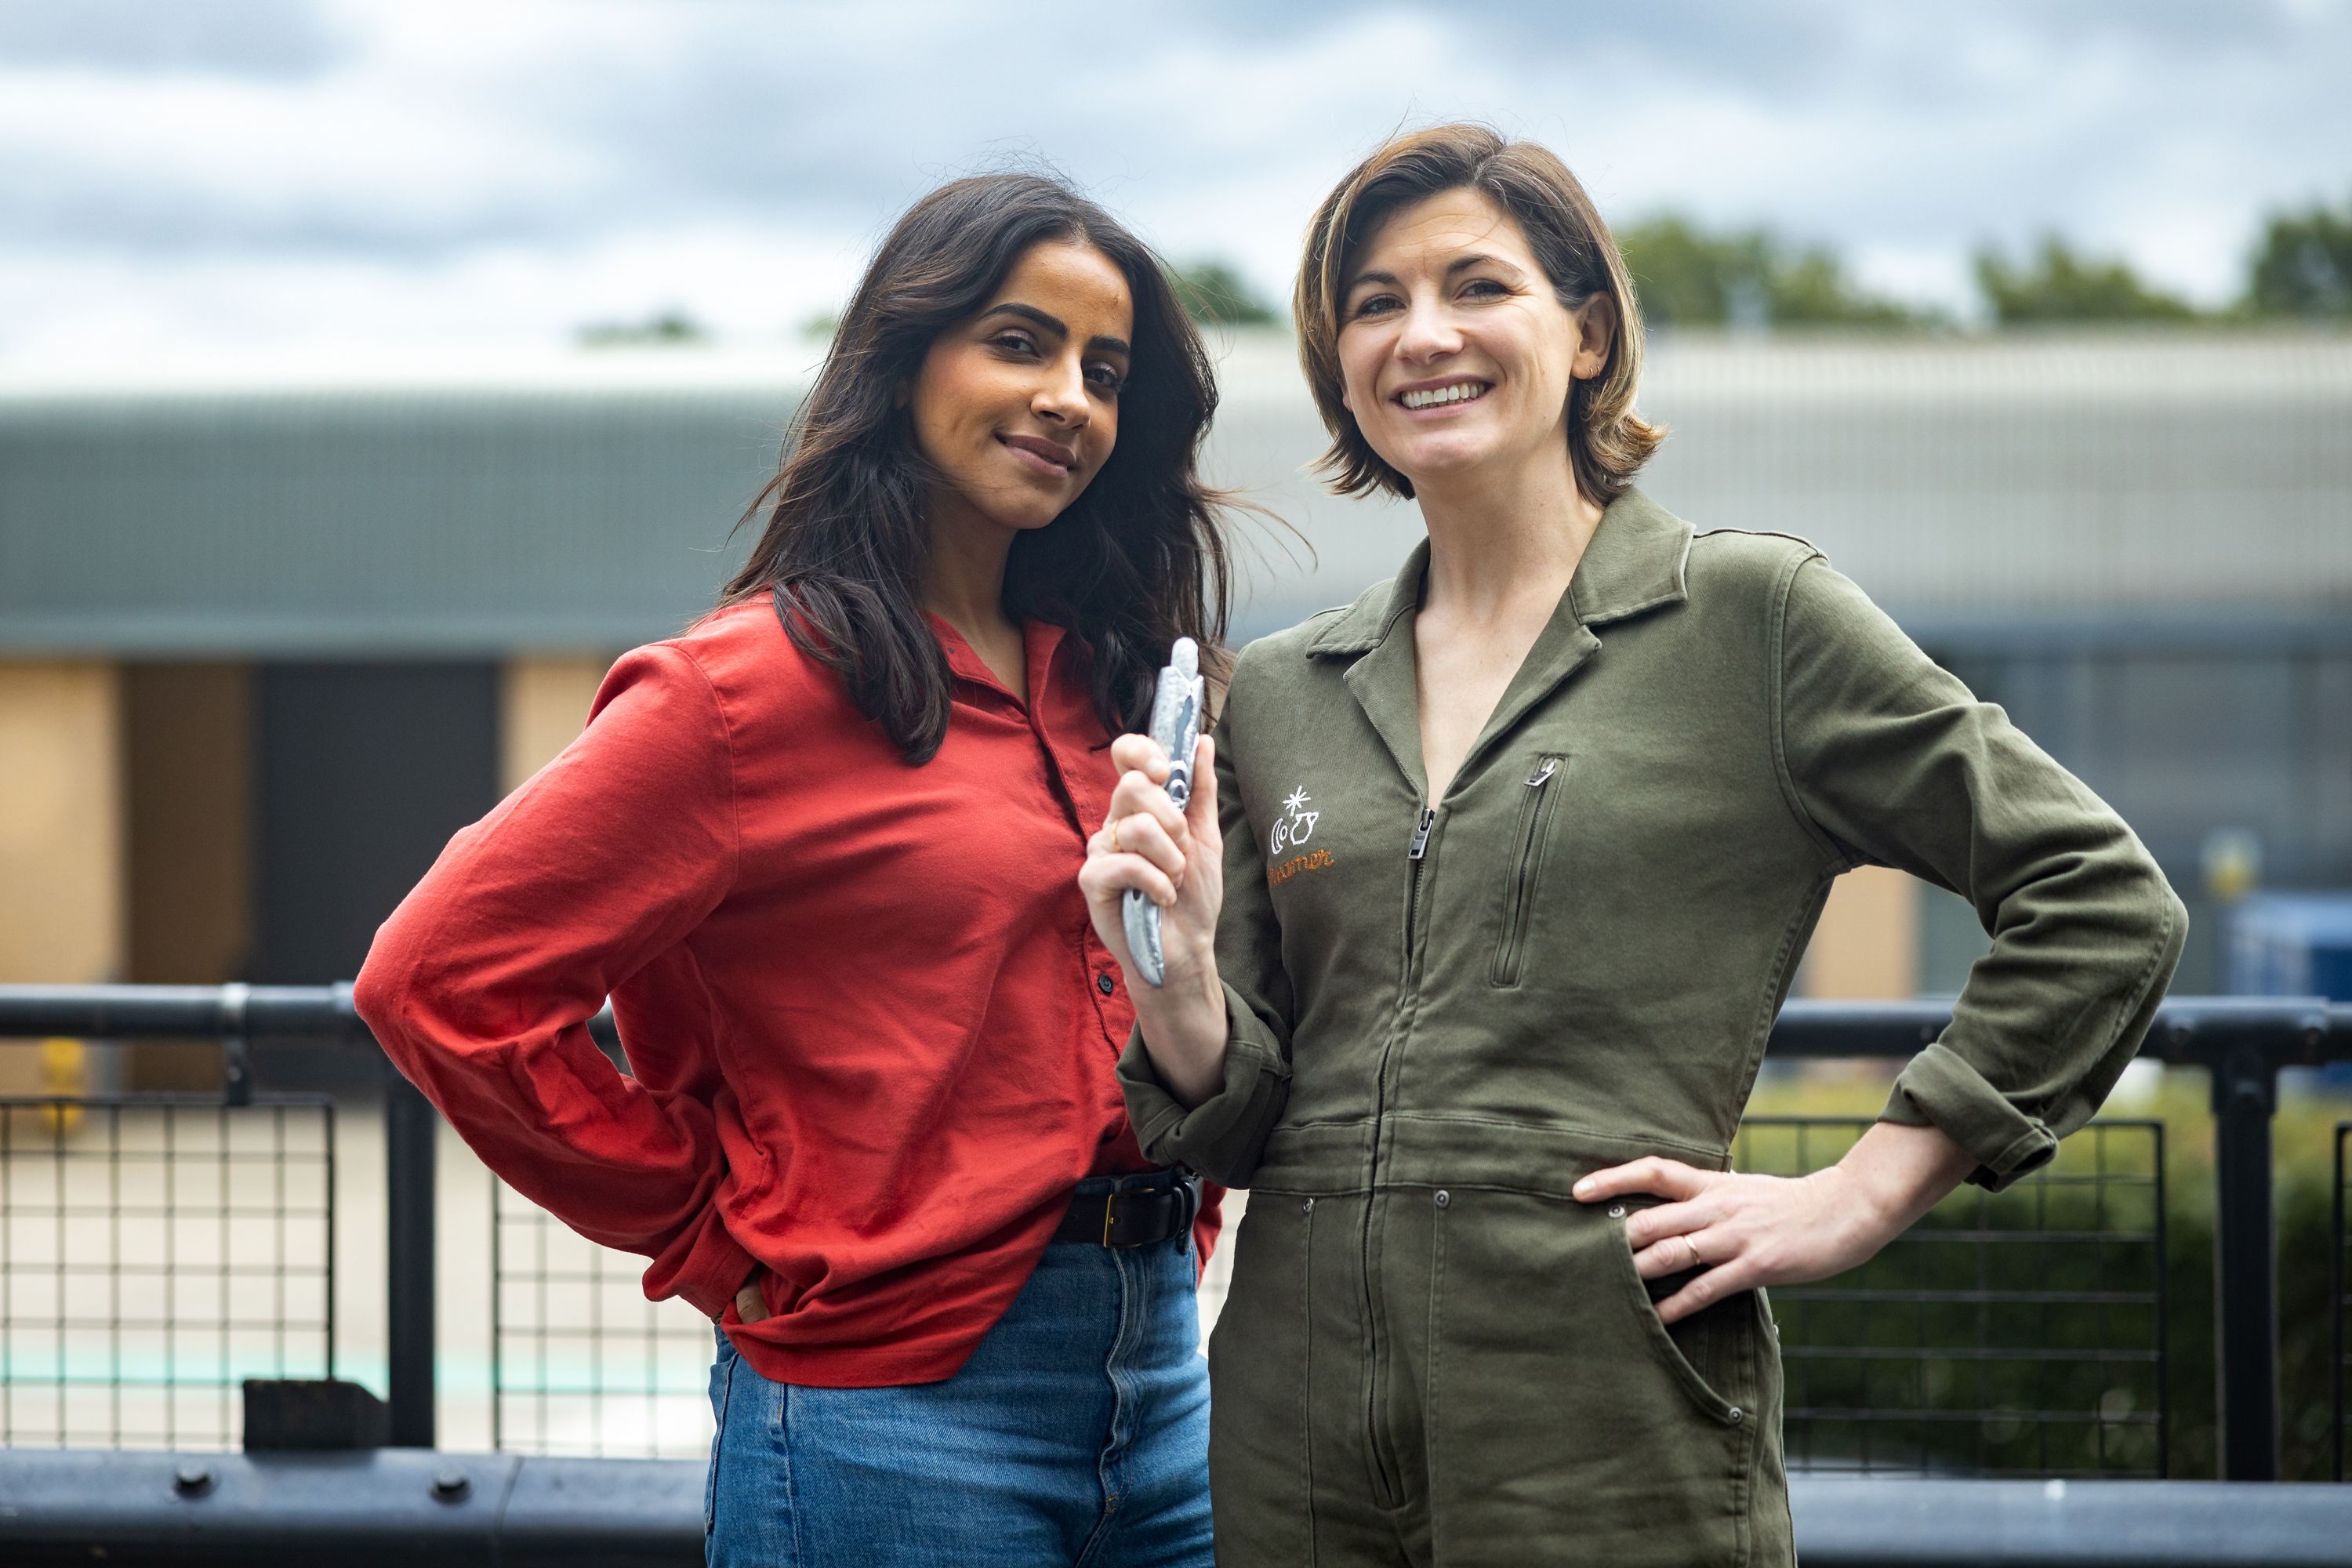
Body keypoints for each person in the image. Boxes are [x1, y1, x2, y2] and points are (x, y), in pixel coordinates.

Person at [1080, 125, 2186, 1567]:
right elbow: (1238, 1117)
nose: (1424, 336)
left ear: (1587, 329)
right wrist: (1169, 984)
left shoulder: (1752, 618)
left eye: (1477, 286)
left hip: (1605, 1409)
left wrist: (1867, 1190)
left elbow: (2099, 897)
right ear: (1338, 362)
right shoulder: (1284, 690)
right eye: (1374, 303)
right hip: (1293, 1433)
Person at [356, 171, 1238, 1568]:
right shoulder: (738, 694)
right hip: (891, 1414)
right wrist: (712, 1232)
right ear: (901, 362)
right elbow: (434, 983)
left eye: (1106, 369)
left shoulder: (1115, 678)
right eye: (1020, 342)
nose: (1070, 394)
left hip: (1171, 1385)